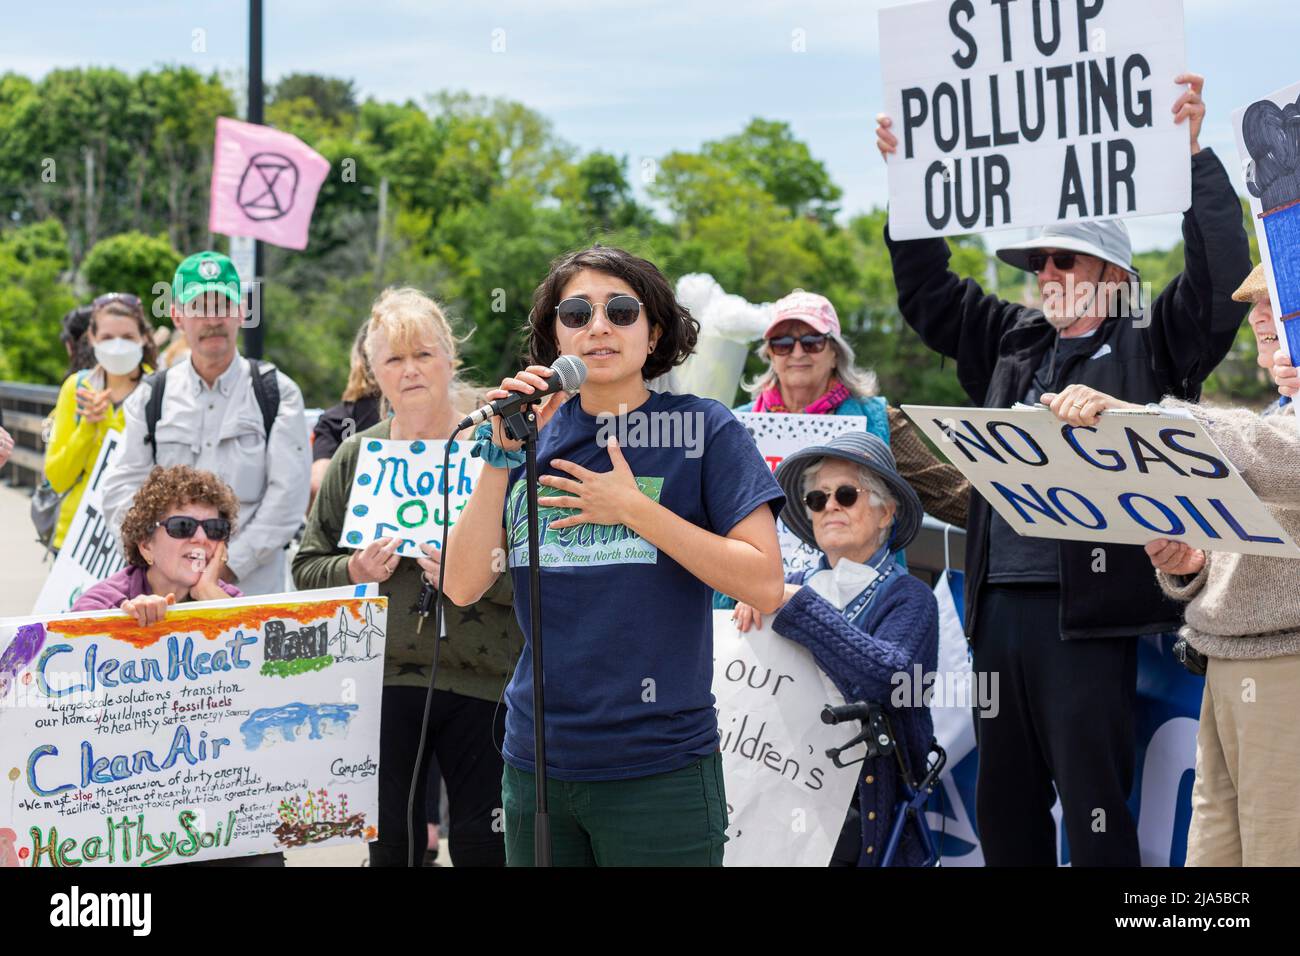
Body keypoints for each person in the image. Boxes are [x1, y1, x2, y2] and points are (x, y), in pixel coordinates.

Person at [874, 72, 1251, 866]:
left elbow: (1221, 284)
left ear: (1115, 276)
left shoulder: (1153, 339)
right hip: (998, 614)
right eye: (1039, 260)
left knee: (1096, 815)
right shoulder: (1013, 340)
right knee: (1004, 813)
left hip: (1091, 619)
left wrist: (1193, 160)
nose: (1048, 272)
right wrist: (909, 186)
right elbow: (930, 293)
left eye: (1068, 260)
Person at [443, 245, 787, 867]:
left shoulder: (704, 429)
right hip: (537, 766)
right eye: (576, 312)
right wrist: (500, 457)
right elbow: (463, 585)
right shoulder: (529, 432)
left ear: (654, 331)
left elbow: (763, 583)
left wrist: (635, 510)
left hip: (659, 770)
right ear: (554, 335)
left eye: (621, 309)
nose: (598, 325)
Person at [1041, 265, 1300, 866]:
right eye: (1256, 304)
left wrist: (1155, 420)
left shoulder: (1267, 430)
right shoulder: (1273, 417)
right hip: (1229, 664)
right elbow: (1257, 545)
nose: (1258, 317)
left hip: (1282, 667)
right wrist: (1191, 564)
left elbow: (1278, 461)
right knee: (1213, 863)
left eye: (1275, 301)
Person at [293, 287, 521, 868]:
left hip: (486, 682)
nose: (410, 370)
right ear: (374, 375)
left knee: (484, 846)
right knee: (392, 846)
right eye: (393, 360)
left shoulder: (499, 453)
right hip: (381, 682)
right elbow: (304, 568)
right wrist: (353, 569)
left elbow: (538, 577)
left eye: (423, 353)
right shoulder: (355, 456)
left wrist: (479, 577)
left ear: (451, 358)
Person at [732, 432, 939, 866]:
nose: (830, 507)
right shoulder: (788, 587)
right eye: (817, 499)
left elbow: (891, 680)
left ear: (887, 512)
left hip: (865, 821)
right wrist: (751, 614)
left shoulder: (910, 598)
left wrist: (793, 606)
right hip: (778, 807)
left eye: (846, 494)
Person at [73, 464, 285, 867]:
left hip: (218, 797)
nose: (201, 538)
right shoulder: (101, 602)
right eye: (183, 525)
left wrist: (208, 594)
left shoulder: (231, 600)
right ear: (146, 545)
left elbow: (266, 683)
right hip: (129, 805)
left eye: (215, 530)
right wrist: (126, 629)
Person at [102, 251, 310, 597]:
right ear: (178, 316)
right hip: (164, 598)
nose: (212, 319)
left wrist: (225, 567)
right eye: (199, 307)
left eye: (223, 306)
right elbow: (120, 489)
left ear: (242, 312)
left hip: (252, 591)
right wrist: (164, 561)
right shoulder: (151, 396)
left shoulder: (277, 393)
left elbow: (287, 499)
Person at [741, 289, 969, 528]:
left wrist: (1008, 504)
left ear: (835, 354)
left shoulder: (877, 419)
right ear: (770, 354)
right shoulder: (739, 424)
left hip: (855, 565)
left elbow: (946, 493)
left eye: (812, 342)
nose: (797, 353)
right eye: (783, 344)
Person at [44, 293, 156, 551]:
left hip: (139, 543)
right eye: (107, 338)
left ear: (143, 338)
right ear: (92, 339)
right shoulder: (76, 389)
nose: (117, 346)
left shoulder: (161, 391)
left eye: (127, 337)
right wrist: (86, 427)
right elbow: (57, 478)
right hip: (74, 541)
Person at [309, 320, 382, 508]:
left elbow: (318, 485)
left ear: (358, 359)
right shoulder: (441, 411)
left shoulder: (336, 420)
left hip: (357, 526)